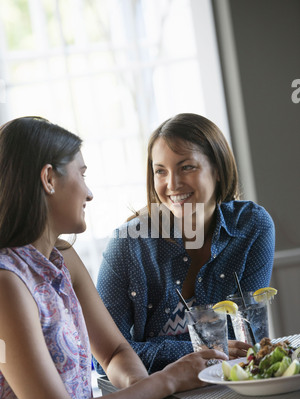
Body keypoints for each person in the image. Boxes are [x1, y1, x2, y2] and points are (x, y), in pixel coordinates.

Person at [0, 116, 228, 399]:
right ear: (48, 178)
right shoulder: (6, 284)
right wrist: (168, 379)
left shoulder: (62, 258)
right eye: (82, 174)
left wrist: (141, 396)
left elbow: (114, 350)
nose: (89, 193)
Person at [95, 113, 275, 375]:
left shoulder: (252, 226)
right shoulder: (127, 246)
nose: (172, 184)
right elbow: (106, 357)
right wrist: (195, 352)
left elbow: (247, 339)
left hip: (236, 383)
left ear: (217, 170)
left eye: (186, 167)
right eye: (160, 171)